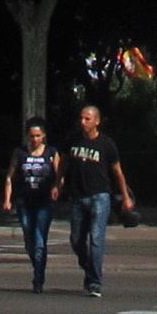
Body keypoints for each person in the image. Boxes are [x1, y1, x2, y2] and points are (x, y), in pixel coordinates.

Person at [59, 102, 134, 298]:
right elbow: (63, 162)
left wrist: (125, 196)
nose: (82, 122)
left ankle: (94, 282)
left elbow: (118, 172)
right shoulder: (73, 140)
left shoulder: (106, 144)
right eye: (81, 118)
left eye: (87, 119)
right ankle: (89, 268)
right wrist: (57, 183)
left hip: (100, 195)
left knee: (96, 238)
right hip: (77, 196)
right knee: (77, 240)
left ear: (97, 122)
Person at [4, 123, 63, 292]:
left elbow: (59, 176)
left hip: (44, 202)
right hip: (24, 201)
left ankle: (38, 277)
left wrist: (56, 188)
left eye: (38, 136)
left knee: (39, 239)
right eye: (32, 136)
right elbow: (10, 176)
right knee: (29, 239)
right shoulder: (20, 153)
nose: (35, 139)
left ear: (43, 136)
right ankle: (36, 262)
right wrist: (7, 199)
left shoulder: (51, 153)